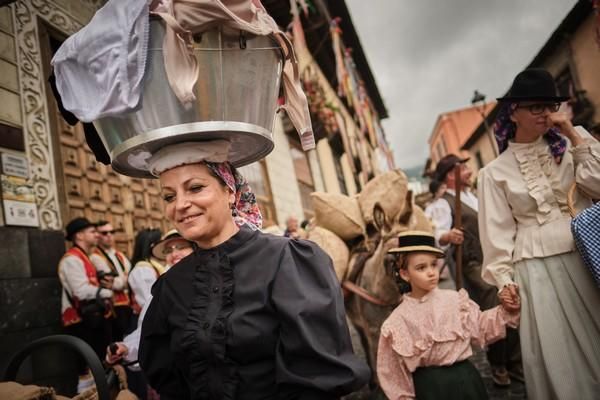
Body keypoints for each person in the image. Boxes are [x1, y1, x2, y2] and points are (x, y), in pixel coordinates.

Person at [138, 142, 369, 399]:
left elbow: (315, 373)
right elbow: (163, 370)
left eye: (195, 188)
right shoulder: (171, 284)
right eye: (169, 196)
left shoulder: (287, 260)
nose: (180, 204)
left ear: (229, 191)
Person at [478, 68, 600, 400]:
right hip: (539, 271)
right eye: (535, 106)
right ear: (513, 111)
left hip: (591, 254)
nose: (545, 114)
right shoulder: (493, 174)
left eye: (550, 105)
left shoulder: (577, 143)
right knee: (560, 353)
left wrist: (575, 136)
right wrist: (504, 282)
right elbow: (497, 235)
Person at [376, 231, 520, 400]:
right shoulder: (397, 321)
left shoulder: (455, 301)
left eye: (434, 264)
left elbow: (481, 327)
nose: (431, 272)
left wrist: (506, 311)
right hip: (429, 389)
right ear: (405, 274)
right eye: (421, 268)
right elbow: (392, 372)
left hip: (466, 382)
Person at [428, 154, 521, 386]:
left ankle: (516, 361)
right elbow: (437, 233)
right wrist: (448, 235)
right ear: (451, 174)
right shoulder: (444, 203)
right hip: (472, 263)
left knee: (512, 298)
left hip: (492, 258)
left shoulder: (473, 196)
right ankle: (498, 363)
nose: (469, 170)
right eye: (464, 167)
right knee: (494, 301)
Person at [107, 230, 194, 400]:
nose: (174, 254)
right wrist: (127, 347)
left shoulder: (215, 277)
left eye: (181, 247)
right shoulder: (163, 287)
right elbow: (150, 327)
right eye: (169, 250)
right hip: (181, 382)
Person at [58, 217, 114, 393]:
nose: (96, 235)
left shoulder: (86, 257)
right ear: (79, 236)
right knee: (85, 368)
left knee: (96, 365)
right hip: (80, 320)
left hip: (91, 318)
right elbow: (80, 291)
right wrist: (106, 293)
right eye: (92, 232)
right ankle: (86, 395)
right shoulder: (71, 260)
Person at [90, 220, 132, 341]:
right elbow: (115, 283)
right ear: (97, 236)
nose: (109, 235)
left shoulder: (119, 254)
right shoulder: (95, 256)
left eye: (112, 232)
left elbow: (130, 276)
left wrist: (121, 281)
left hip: (127, 304)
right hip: (112, 308)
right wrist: (124, 280)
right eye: (104, 233)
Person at [127, 228, 163, 324]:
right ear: (152, 245)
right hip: (147, 319)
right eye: (161, 242)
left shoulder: (154, 265)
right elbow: (148, 301)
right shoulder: (142, 269)